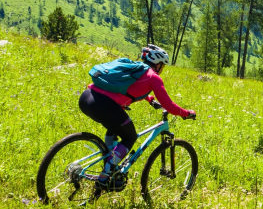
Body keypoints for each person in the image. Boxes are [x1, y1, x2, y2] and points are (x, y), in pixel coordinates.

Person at [78, 44, 196, 189]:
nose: (162, 69)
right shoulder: (154, 77)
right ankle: (104, 177)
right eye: (162, 66)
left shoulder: (135, 68)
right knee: (130, 137)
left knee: (115, 127)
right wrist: (186, 113)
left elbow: (129, 86)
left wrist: (149, 99)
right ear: (158, 65)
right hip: (103, 104)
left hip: (86, 97)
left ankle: (109, 163)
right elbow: (169, 105)